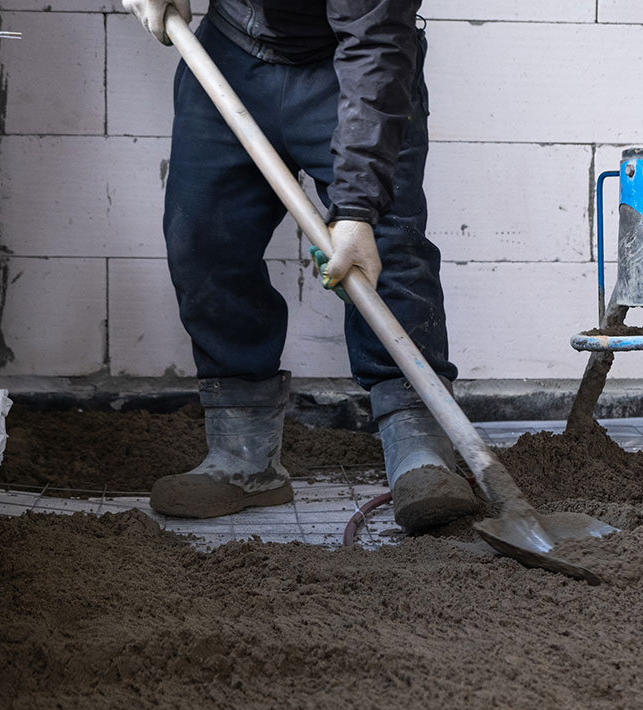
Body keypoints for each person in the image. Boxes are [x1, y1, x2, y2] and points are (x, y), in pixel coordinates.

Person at [122, 0, 477, 529]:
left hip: (353, 65)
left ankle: (419, 450)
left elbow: (376, 46)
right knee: (203, 238)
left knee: (388, 248)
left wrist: (356, 211)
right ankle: (242, 456)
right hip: (231, 52)